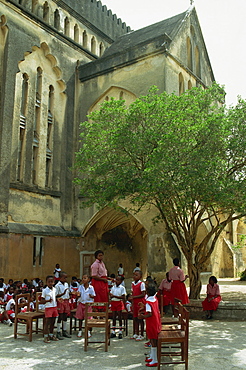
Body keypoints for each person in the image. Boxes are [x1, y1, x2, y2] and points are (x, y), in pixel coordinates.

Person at [138, 283, 161, 368]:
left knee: (153, 341)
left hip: (151, 324)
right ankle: (152, 356)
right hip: (156, 322)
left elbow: (150, 313)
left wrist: (142, 316)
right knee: (153, 341)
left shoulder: (148, 302)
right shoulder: (154, 299)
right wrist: (143, 307)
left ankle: (155, 359)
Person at [40, 275, 59, 343]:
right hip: (48, 307)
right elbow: (42, 301)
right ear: (46, 282)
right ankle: (45, 336)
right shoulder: (45, 290)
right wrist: (47, 301)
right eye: (49, 282)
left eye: (52, 282)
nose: (50, 283)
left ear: (54, 282)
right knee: (47, 322)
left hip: (54, 307)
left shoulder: (55, 289)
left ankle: (51, 334)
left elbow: (55, 297)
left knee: (53, 322)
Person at [130, 270, 146, 341]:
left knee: (140, 318)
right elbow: (132, 292)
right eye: (134, 275)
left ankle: (141, 334)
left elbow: (143, 294)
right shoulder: (133, 283)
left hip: (140, 303)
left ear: (140, 276)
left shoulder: (141, 284)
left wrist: (134, 297)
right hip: (135, 303)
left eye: (136, 275)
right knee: (135, 318)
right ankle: (136, 333)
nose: (134, 276)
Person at [55, 271, 71, 339]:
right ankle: (58, 331)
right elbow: (56, 295)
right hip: (61, 301)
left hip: (66, 301)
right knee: (60, 316)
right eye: (64, 278)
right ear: (60, 278)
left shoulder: (66, 284)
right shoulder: (57, 285)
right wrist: (63, 293)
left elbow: (68, 292)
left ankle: (64, 330)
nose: (66, 279)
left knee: (65, 316)